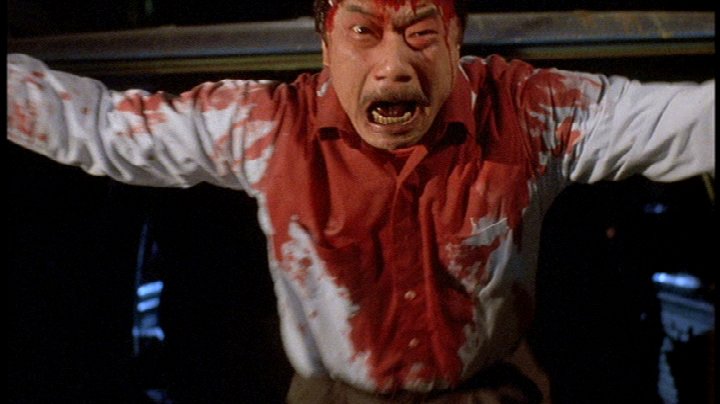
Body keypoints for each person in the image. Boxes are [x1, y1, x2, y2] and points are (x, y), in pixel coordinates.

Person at [6, 0, 715, 402]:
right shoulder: (266, 129)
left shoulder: (531, 114)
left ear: (457, 39)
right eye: (364, 32)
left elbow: (687, 124)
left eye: (420, 33)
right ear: (326, 43)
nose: (394, 66)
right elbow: (100, 128)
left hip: (488, 388)